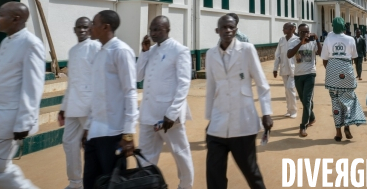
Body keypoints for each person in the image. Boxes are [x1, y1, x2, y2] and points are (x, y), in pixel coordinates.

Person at [0, 2, 45, 189]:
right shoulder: (6, 41)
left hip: (8, 122)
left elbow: (33, 86)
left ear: (16, 19)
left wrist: (24, 122)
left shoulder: (31, 44)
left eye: (1, 15)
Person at [205, 15, 273, 189]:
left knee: (251, 172)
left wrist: (267, 113)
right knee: (214, 175)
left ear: (236, 30)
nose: (227, 30)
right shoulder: (211, 54)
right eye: (224, 27)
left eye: (231, 27)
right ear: (217, 31)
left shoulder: (247, 50)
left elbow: (261, 84)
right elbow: (211, 88)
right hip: (218, 125)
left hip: (243, 123)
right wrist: (209, 120)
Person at [82, 11, 138, 189]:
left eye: (94, 23)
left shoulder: (121, 51)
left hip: (114, 133)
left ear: (105, 27)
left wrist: (128, 133)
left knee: (113, 184)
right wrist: (87, 126)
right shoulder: (100, 53)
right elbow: (97, 95)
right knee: (91, 182)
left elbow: (130, 92)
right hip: (95, 132)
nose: (91, 27)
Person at [137, 16, 193, 189]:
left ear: (167, 30)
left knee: (180, 153)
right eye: (151, 29)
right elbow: (138, 77)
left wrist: (172, 113)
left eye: (157, 29)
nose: (153, 33)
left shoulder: (180, 50)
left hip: (167, 117)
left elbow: (184, 83)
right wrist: (144, 52)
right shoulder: (151, 51)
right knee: (145, 157)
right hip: (148, 114)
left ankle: (186, 185)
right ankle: (146, 185)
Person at [59, 17, 101, 189]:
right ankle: (75, 182)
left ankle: (97, 182)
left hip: (89, 107)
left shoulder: (96, 47)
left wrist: (95, 110)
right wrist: (63, 108)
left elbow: (98, 80)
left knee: (91, 147)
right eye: (79, 27)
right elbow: (72, 82)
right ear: (74, 30)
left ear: (91, 29)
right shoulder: (73, 51)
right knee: (69, 143)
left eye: (86, 27)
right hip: (72, 107)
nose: (82, 30)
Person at [321, 17, 367, 141]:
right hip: (346, 71)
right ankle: (347, 125)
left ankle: (338, 133)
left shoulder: (328, 39)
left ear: (332, 26)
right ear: (344, 28)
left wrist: (332, 71)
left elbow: (325, 59)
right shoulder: (350, 39)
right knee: (348, 100)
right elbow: (354, 57)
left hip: (332, 71)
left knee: (335, 102)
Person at [287, 23, 321, 137]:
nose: (305, 34)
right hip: (298, 75)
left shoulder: (312, 41)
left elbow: (320, 53)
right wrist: (300, 44)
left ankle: (303, 126)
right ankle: (312, 117)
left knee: (306, 100)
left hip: (310, 74)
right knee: (303, 100)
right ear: (298, 32)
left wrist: (317, 40)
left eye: (307, 31)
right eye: (302, 32)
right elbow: (289, 54)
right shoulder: (293, 42)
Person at [273, 22, 297, 118]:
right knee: (286, 91)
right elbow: (277, 55)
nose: (283, 30)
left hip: (293, 69)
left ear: (291, 28)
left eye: (285, 28)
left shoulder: (296, 40)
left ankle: (294, 111)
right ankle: (289, 110)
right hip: (284, 69)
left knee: (290, 89)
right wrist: (275, 68)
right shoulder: (281, 40)